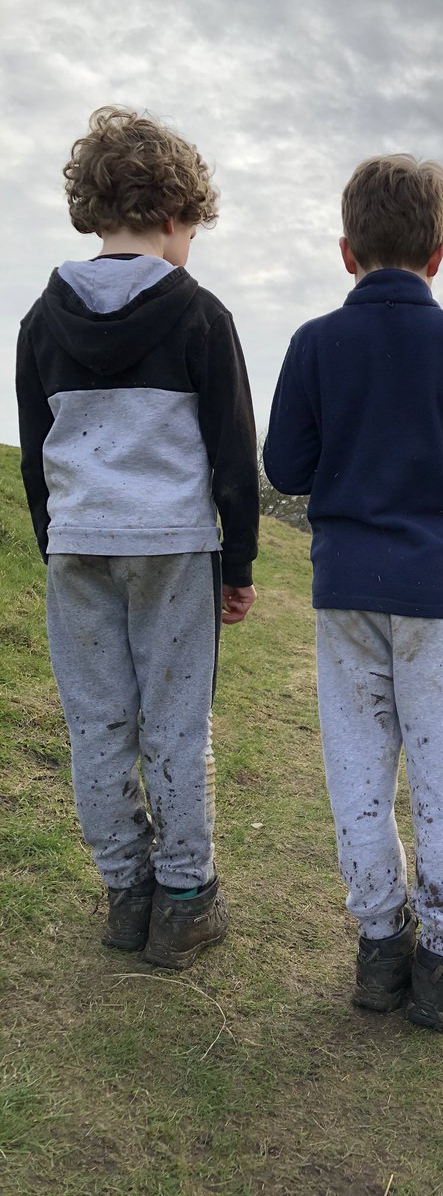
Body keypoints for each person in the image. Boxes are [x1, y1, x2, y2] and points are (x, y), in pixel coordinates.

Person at [264, 154, 443, 1029]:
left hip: (347, 593)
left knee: (359, 773)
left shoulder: (313, 343)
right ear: (440, 252)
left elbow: (284, 467)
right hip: (442, 597)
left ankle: (379, 949)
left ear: (347, 251)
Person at [16, 106, 259, 970]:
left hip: (79, 544)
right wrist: (239, 564)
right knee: (176, 724)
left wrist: (55, 546)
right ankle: (184, 900)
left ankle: (126, 893)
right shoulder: (200, 316)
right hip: (171, 546)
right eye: (192, 227)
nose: (191, 243)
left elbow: (36, 456)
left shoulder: (41, 321)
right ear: (171, 216)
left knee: (96, 724)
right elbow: (235, 454)